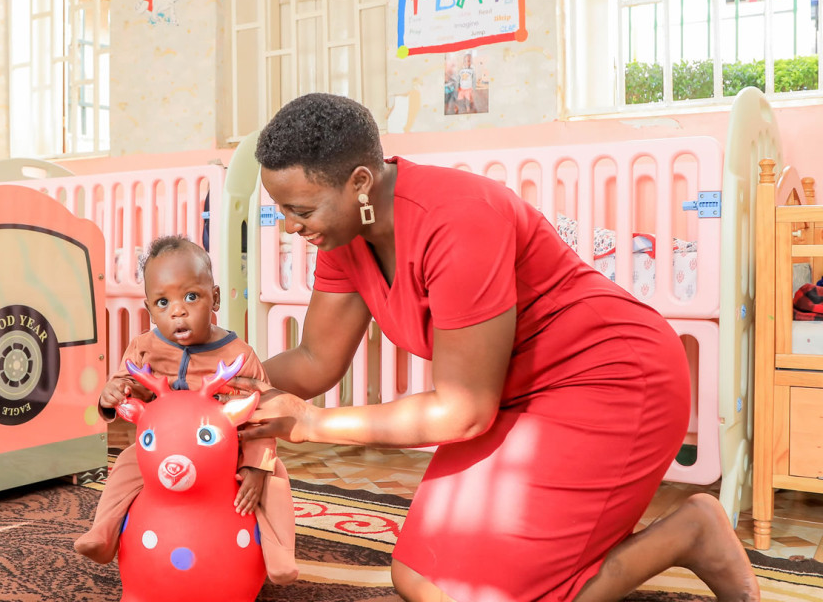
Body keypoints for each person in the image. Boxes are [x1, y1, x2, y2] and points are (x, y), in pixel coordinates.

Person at [236, 93, 758, 602]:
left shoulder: (458, 219)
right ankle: (568, 544)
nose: (289, 225)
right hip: (513, 397)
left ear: (360, 183)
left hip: (612, 378)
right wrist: (220, 380)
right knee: (419, 577)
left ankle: (690, 533)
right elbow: (313, 361)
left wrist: (311, 423)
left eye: (299, 208)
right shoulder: (344, 234)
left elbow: (463, 413)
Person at [74, 235, 298, 584]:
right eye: (163, 302)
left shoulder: (239, 356)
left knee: (276, 481)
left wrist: (255, 466)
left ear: (216, 298)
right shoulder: (143, 349)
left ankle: (280, 554)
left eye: (191, 297)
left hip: (229, 454)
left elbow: (264, 415)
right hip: (161, 453)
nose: (177, 311)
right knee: (124, 465)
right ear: (149, 310)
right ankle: (103, 532)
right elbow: (124, 388)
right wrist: (110, 396)